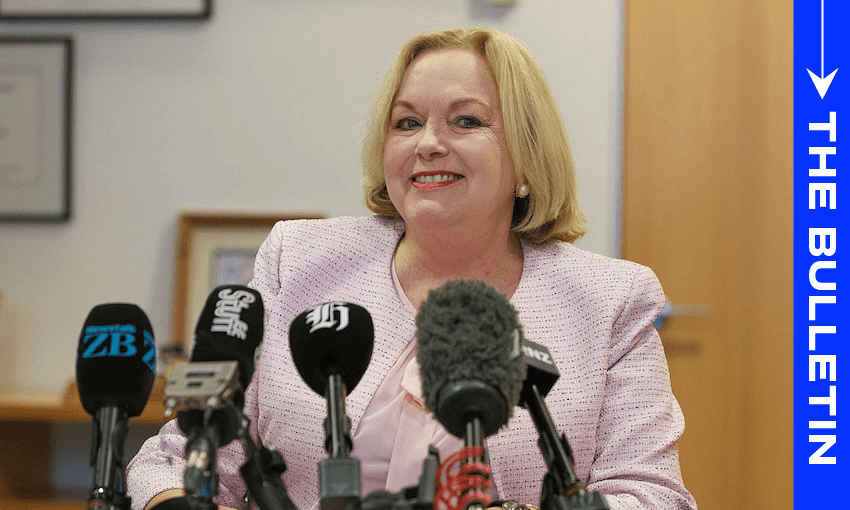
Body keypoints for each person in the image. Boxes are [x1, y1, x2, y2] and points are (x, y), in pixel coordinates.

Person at [127, 27, 697, 510]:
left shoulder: (610, 300)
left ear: (527, 155)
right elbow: (177, 459)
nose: (427, 144)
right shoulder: (298, 261)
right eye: (406, 123)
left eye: (466, 121)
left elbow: (650, 495)